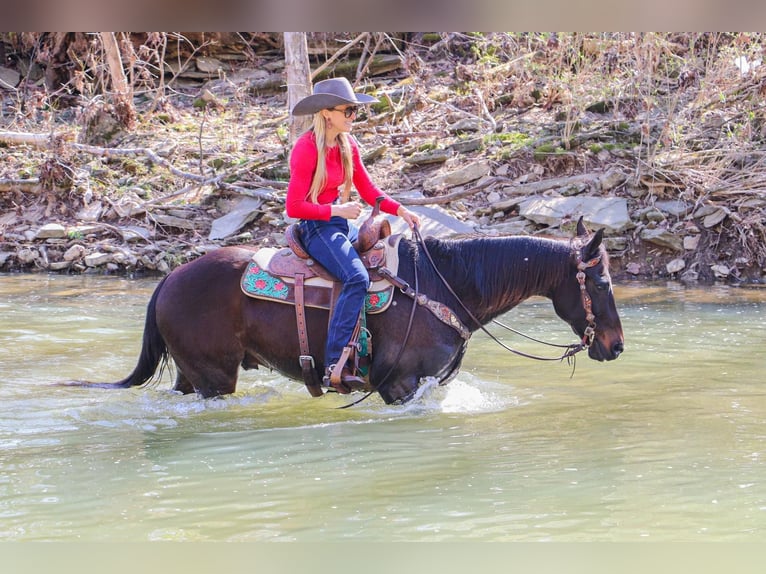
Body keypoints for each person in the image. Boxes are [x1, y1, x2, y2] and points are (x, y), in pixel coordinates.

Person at [286, 77, 421, 393]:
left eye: (354, 111)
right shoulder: (306, 149)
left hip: (339, 222)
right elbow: (294, 206)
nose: (352, 116)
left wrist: (401, 211)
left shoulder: (348, 145)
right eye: (347, 110)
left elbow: (369, 190)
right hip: (317, 227)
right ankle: (336, 362)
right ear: (327, 113)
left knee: (390, 261)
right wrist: (336, 211)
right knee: (357, 278)